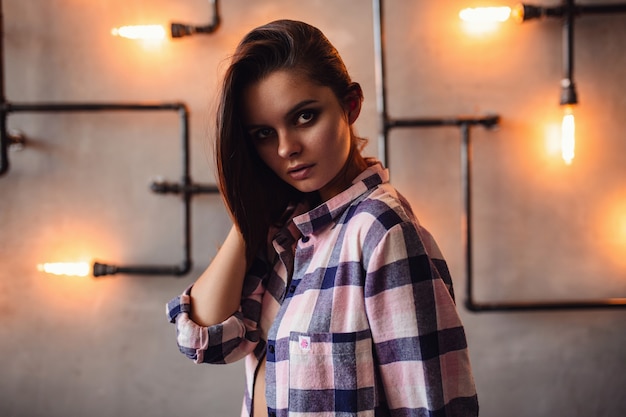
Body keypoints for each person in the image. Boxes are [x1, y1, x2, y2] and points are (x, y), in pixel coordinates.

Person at [166, 19, 478, 417]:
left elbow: (433, 406)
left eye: (304, 117)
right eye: (263, 133)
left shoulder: (381, 230)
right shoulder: (284, 233)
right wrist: (249, 218)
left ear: (350, 105)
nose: (286, 149)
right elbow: (208, 343)